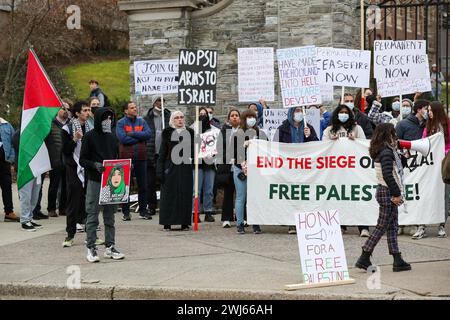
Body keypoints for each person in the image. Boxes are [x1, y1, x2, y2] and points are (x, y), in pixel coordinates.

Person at [355, 123, 411, 272]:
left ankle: (397, 258)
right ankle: (364, 256)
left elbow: (398, 166)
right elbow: (388, 175)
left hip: (385, 191)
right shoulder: (386, 152)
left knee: (392, 227)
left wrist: (403, 155)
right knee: (381, 227)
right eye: (393, 133)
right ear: (388, 134)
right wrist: (396, 194)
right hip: (387, 192)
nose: (395, 136)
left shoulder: (386, 150)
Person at [80, 107, 125, 262]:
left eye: (110, 119)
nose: (108, 121)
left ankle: (110, 246)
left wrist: (125, 168)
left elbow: (116, 158)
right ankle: (91, 247)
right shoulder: (89, 137)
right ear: (99, 119)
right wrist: (94, 165)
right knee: (92, 215)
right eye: (105, 118)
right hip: (95, 181)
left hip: (110, 183)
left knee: (110, 217)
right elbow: (82, 160)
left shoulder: (113, 138)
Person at [322, 104, 368, 236]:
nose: (343, 115)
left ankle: (363, 227)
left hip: (354, 170)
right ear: (336, 114)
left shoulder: (357, 128)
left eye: (346, 112)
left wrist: (356, 140)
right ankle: (341, 225)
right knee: (339, 197)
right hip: (336, 171)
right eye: (341, 112)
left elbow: (365, 146)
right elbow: (321, 148)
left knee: (357, 197)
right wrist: (330, 141)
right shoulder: (329, 130)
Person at [275, 106, 319, 234]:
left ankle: (304, 221)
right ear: (291, 112)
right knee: (291, 194)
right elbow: (275, 147)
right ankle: (292, 223)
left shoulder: (308, 128)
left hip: (305, 167)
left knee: (303, 195)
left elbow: (317, 145)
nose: (299, 113)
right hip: (288, 167)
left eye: (301, 111)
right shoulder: (282, 128)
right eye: (296, 111)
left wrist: (309, 136)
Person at [413, 101, 450, 239]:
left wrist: (444, 152)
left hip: (444, 165)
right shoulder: (427, 126)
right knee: (426, 194)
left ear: (437, 110)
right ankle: (422, 226)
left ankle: (441, 225)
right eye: (427, 110)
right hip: (430, 165)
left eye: (430, 110)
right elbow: (424, 142)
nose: (428, 112)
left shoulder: (448, 124)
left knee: (443, 195)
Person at [396, 99, 428, 237]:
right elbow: (395, 143)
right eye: (426, 108)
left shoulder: (428, 125)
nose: (428, 111)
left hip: (422, 167)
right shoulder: (403, 124)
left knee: (417, 195)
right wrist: (404, 152)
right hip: (405, 165)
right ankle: (400, 223)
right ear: (419, 109)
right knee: (404, 193)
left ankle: (415, 222)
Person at [157, 110, 194, 231]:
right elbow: (162, 154)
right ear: (173, 120)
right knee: (169, 194)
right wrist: (160, 171)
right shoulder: (167, 134)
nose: (180, 120)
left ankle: (184, 222)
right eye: (177, 117)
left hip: (185, 167)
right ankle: (167, 222)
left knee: (185, 194)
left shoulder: (190, 133)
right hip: (170, 167)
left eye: (182, 117)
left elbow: (195, 150)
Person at [232, 109, 268, 234]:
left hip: (256, 170)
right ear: (244, 119)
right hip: (240, 168)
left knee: (255, 197)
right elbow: (233, 153)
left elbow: (267, 149)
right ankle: (240, 223)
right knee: (241, 197)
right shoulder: (237, 134)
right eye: (249, 117)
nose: (251, 119)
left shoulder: (260, 133)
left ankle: (255, 223)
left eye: (253, 116)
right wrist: (244, 147)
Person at [61, 101, 92, 245]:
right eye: (85, 110)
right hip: (74, 168)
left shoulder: (91, 127)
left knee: (89, 202)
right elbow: (65, 150)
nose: (88, 113)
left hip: (88, 168)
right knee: (73, 202)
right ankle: (70, 235)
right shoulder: (67, 128)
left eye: (89, 110)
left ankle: (91, 234)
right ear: (77, 113)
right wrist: (75, 139)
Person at [116, 101, 152, 221]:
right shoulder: (120, 123)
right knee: (125, 186)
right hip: (126, 158)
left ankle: (143, 210)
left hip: (141, 157)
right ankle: (126, 213)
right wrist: (139, 138)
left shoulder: (141, 121)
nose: (135, 109)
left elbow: (148, 134)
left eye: (135, 107)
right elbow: (122, 139)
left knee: (143, 185)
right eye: (132, 108)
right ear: (126, 111)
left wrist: (133, 134)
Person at [144, 95, 171, 216]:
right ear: (153, 102)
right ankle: (151, 206)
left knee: (165, 180)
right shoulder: (146, 119)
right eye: (158, 100)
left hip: (165, 154)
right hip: (151, 153)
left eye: (162, 100)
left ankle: (167, 205)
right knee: (150, 183)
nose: (161, 103)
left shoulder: (169, 116)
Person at [190, 107, 218, 223]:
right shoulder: (192, 129)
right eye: (200, 114)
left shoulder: (215, 131)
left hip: (209, 162)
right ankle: (194, 212)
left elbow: (218, 146)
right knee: (196, 190)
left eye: (204, 114)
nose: (203, 116)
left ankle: (208, 211)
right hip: (197, 162)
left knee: (209, 189)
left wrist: (214, 155)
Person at [12, 128, 42, 231]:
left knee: (35, 195)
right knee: (26, 195)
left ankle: (29, 217)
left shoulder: (37, 132)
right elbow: (19, 147)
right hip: (25, 168)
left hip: (36, 167)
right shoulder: (18, 133)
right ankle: (24, 220)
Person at [217, 108, 240, 228]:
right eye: (232, 115)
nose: (234, 117)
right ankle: (226, 218)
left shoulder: (244, 130)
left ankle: (242, 218)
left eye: (236, 115)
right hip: (228, 167)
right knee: (228, 193)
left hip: (240, 166)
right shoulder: (224, 131)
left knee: (241, 194)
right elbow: (219, 147)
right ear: (228, 118)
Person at [0, 115, 19, 222]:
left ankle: (9, 212)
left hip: (4, 162)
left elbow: (12, 142)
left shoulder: (6, 125)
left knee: (7, 186)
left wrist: (11, 158)